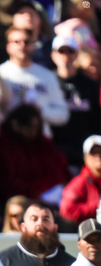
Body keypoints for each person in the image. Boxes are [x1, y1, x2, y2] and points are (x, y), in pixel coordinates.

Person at [0, 26, 68, 137]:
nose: (22, 45)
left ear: (33, 46)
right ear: (8, 47)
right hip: (10, 141)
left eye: (26, 42)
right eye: (16, 42)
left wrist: (40, 111)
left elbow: (63, 115)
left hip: (41, 141)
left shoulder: (46, 75)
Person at [50, 35, 100, 171]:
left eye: (70, 51)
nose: (66, 56)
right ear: (53, 55)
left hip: (85, 155)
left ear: (77, 54)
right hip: (55, 156)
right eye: (61, 51)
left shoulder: (90, 85)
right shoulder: (48, 83)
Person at [60, 135, 101, 224]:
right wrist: (98, 205)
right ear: (85, 159)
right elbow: (67, 211)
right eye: (93, 153)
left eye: (100, 152)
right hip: (89, 235)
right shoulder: (78, 183)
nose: (98, 156)